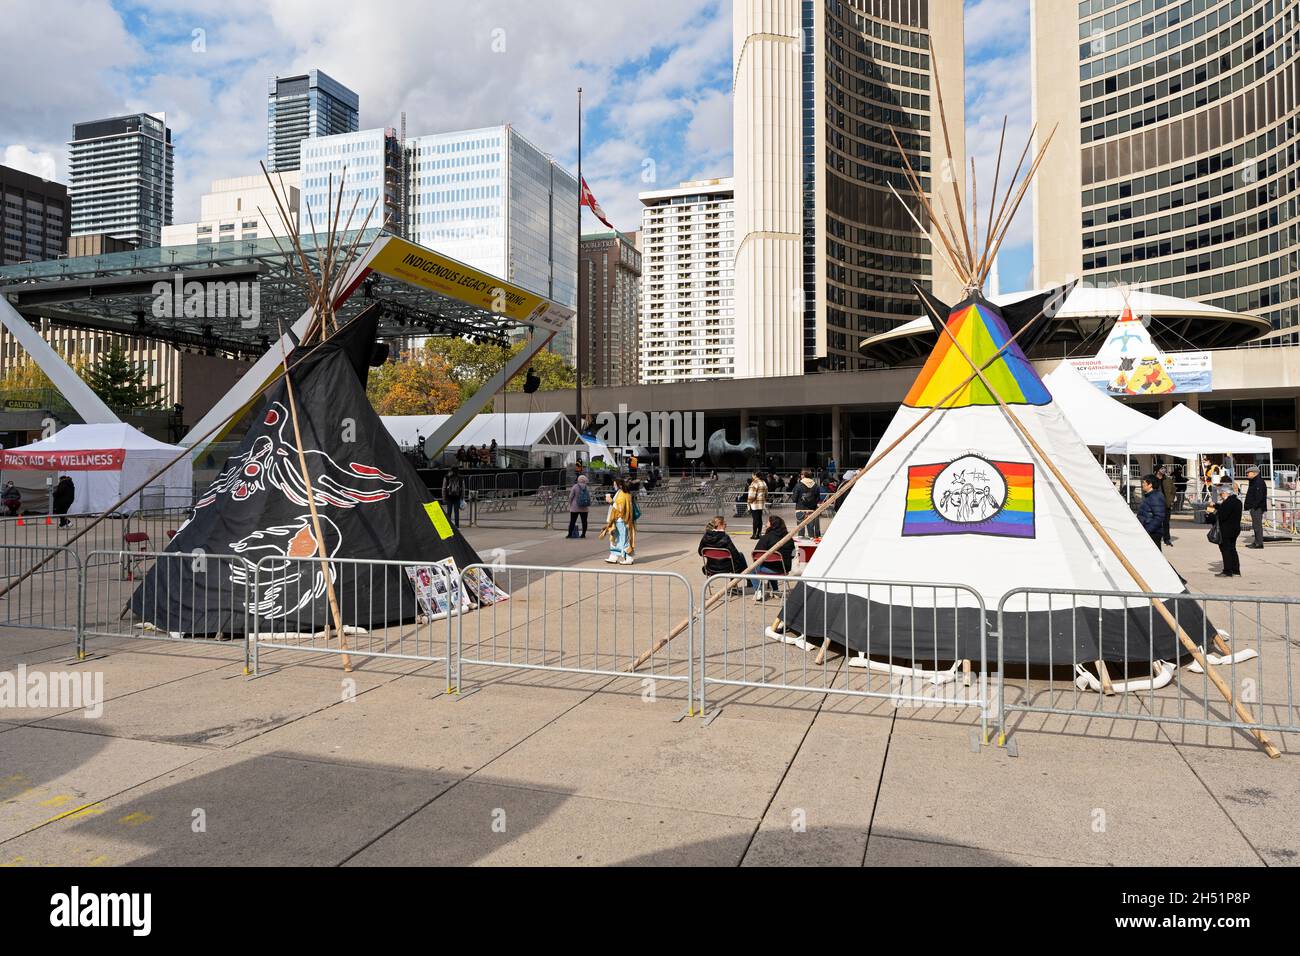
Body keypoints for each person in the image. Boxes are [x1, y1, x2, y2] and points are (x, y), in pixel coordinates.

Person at [750, 514, 794, 601]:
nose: (766, 524)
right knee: (771, 564)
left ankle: (758, 591)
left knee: (752, 569)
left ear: (772, 525)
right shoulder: (788, 538)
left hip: (771, 568)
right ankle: (776, 590)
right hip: (785, 568)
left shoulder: (766, 538)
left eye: (768, 523)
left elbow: (756, 555)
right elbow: (793, 554)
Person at [1206, 482, 1242, 577]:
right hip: (1235, 529)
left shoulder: (1228, 502)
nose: (1220, 496)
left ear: (1226, 493)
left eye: (1221, 493)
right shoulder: (1237, 502)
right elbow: (1225, 509)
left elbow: (1222, 515)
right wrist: (1216, 505)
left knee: (1225, 550)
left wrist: (1211, 513)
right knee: (1232, 549)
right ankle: (1236, 570)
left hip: (1226, 529)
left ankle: (1227, 571)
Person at [599, 477, 636, 565]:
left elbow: (620, 508)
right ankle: (614, 556)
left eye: (614, 484)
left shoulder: (623, 494)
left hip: (621, 520)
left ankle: (628, 557)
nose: (613, 485)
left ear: (619, 485)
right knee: (614, 538)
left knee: (623, 539)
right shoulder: (622, 493)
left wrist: (611, 502)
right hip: (617, 520)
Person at [1136, 474, 1167, 550]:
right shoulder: (1149, 496)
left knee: (1156, 558)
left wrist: (1147, 530)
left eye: (1144, 482)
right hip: (1149, 531)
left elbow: (1159, 517)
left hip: (1153, 533)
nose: (1142, 484)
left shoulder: (1155, 497)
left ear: (1150, 485)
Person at [1243, 464, 1267, 549]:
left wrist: (1254, 507)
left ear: (1254, 473)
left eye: (1248, 473)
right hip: (1254, 507)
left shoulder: (1258, 482)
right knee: (1255, 525)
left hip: (1257, 508)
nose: (1247, 475)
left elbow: (1259, 497)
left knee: (1257, 526)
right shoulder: (1254, 481)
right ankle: (1256, 541)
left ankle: (1259, 543)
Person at [793, 468, 823, 538]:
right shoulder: (815, 485)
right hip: (812, 510)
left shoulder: (798, 485)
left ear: (803, 475)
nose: (800, 476)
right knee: (811, 530)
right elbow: (818, 498)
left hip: (800, 509)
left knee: (800, 531)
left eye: (801, 474)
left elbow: (794, 499)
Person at [566, 473, 591, 539]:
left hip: (575, 507)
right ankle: (583, 534)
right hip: (584, 507)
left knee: (572, 521)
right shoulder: (586, 487)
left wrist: (570, 503)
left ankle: (569, 534)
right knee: (584, 521)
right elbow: (589, 496)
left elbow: (570, 496)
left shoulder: (575, 486)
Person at [1157, 465, 1176, 545]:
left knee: (1166, 523)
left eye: (1164, 468)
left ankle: (1167, 539)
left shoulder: (1168, 480)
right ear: (1157, 470)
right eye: (1162, 468)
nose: (1164, 470)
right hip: (1156, 505)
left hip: (1166, 505)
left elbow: (1173, 490)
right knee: (1156, 523)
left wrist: (1171, 500)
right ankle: (1156, 538)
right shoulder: (1153, 479)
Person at [746, 470, 767, 539]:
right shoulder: (763, 482)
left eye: (752, 475)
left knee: (755, 519)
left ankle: (754, 534)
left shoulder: (754, 483)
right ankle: (759, 534)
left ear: (755, 475)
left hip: (754, 504)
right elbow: (766, 493)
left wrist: (749, 502)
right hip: (761, 504)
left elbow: (751, 495)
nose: (752, 476)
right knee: (759, 519)